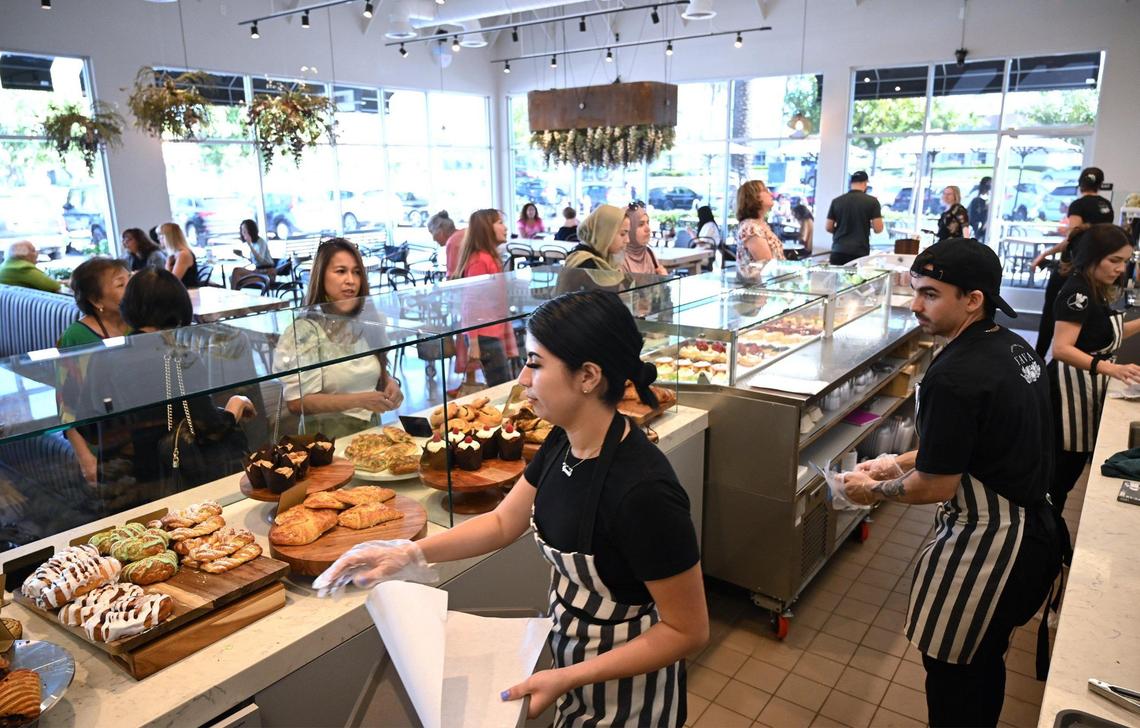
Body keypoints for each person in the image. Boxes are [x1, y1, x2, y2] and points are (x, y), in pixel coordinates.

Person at [317, 290, 708, 726]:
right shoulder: (563, 440)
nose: (522, 377)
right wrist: (407, 553)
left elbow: (686, 630)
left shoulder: (645, 493)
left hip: (632, 696)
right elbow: (504, 521)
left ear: (588, 376)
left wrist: (569, 677)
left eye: (536, 363)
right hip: (571, 663)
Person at [841, 239, 1063, 728]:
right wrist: (895, 462)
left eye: (930, 294)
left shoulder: (956, 374)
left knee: (955, 680)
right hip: (1034, 532)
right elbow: (977, 445)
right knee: (983, 665)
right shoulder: (1011, 346)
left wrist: (869, 491)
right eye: (915, 290)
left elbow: (938, 486)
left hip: (993, 546)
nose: (916, 304)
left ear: (973, 299)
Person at [78, 269, 256, 508]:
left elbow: (88, 427)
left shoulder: (103, 356)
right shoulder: (180, 357)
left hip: (122, 487)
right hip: (173, 485)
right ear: (179, 305)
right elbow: (208, 428)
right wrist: (237, 403)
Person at [1049, 224, 1140, 514]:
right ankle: (1047, 541)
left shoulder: (1093, 288)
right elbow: (1061, 348)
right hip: (1067, 393)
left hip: (1087, 386)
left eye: (1125, 261)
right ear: (1092, 256)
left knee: (1069, 471)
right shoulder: (1077, 292)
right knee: (1059, 478)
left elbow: (1103, 334)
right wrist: (1110, 369)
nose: (1121, 268)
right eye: (1114, 260)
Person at [273, 238, 404, 439]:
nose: (351, 280)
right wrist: (360, 401)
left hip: (371, 434)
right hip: (325, 441)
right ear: (321, 277)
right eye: (341, 271)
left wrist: (390, 382)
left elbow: (375, 367)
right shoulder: (304, 332)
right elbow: (296, 402)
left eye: (356, 272)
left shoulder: (368, 321)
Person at [57, 257, 131, 485]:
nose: (131, 288)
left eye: (130, 280)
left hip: (138, 437)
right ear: (95, 299)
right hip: (102, 440)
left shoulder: (139, 325)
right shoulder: (76, 337)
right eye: (121, 285)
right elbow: (65, 402)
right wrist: (84, 456)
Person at [1033, 168, 1115, 358]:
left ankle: (1037, 360)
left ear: (1080, 183)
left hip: (1073, 265)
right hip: (1094, 268)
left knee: (1050, 314)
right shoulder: (1107, 206)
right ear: (1100, 184)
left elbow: (1072, 237)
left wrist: (1046, 253)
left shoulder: (1079, 205)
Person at [450, 209, 519, 387]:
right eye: (499, 223)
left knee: (502, 381)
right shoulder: (481, 260)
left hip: (490, 331)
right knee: (501, 384)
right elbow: (470, 303)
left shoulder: (488, 258)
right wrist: (473, 341)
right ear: (486, 228)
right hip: (484, 333)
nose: (504, 227)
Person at [826, 171, 884, 265]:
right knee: (855, 279)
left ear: (851, 183)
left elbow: (828, 227)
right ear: (865, 183)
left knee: (836, 279)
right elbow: (878, 228)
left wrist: (841, 230)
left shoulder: (837, 201)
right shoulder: (872, 202)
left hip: (838, 249)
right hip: (859, 252)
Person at [734, 180, 785, 276]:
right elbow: (768, 264)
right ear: (753, 197)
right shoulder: (750, 228)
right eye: (765, 190)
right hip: (760, 286)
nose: (770, 193)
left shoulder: (759, 225)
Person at [621, 204, 667, 276]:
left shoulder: (648, 253)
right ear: (629, 228)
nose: (648, 229)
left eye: (648, 223)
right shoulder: (618, 259)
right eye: (641, 224)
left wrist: (663, 279)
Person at [427, 210, 465, 279]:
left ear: (440, 231)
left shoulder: (452, 242)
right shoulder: (464, 233)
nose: (433, 239)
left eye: (432, 232)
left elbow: (452, 276)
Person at [160, 222, 200, 288]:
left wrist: (167, 264)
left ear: (169, 238)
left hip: (187, 292)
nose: (159, 239)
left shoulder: (183, 254)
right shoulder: (174, 254)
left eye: (162, 236)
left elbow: (173, 281)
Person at [967, 176, 991, 244]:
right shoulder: (976, 195)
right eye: (988, 184)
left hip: (984, 223)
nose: (989, 187)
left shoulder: (990, 195)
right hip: (975, 221)